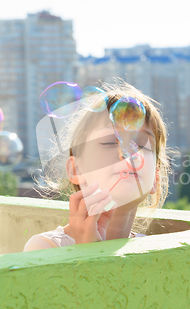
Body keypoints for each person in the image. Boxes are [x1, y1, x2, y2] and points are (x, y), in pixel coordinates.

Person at [23, 80, 172, 251]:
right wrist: (86, 251)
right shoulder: (45, 248)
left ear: (155, 179)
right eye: (109, 142)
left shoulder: (151, 251)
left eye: (141, 144)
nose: (127, 153)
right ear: (76, 170)